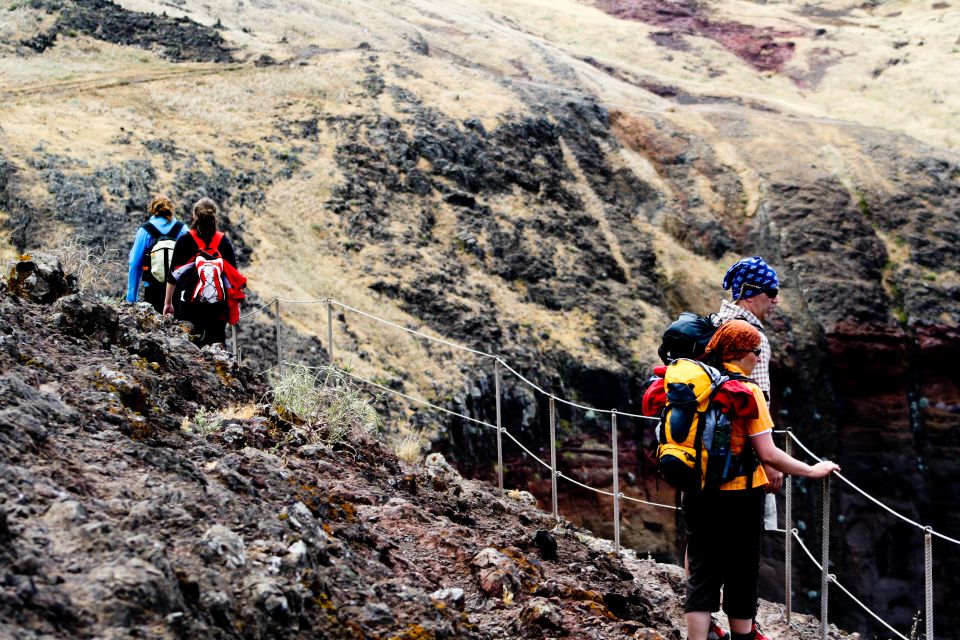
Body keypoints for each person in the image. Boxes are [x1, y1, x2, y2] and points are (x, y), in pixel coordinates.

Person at [683, 320, 839, 640]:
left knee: (702, 574)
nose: (758, 358)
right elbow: (768, 454)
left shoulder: (696, 384)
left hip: (697, 491)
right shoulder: (748, 391)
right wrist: (811, 469)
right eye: (755, 351)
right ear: (741, 353)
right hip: (741, 496)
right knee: (741, 571)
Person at [162, 197, 241, 347]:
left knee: (188, 346)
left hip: (188, 304)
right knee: (216, 346)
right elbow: (233, 279)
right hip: (217, 306)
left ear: (194, 216)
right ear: (215, 216)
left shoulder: (184, 241)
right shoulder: (224, 242)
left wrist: (168, 303)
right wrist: (235, 307)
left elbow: (173, 276)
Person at [125, 196, 187, 313]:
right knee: (178, 328)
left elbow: (135, 263)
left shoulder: (145, 230)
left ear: (153, 209)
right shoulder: (182, 229)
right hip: (176, 290)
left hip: (152, 289)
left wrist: (131, 299)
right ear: (171, 209)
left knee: (155, 327)